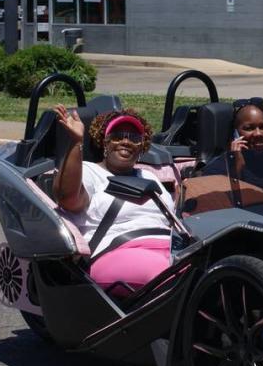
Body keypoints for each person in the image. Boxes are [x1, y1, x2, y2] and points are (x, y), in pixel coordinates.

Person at [53, 106, 173, 293]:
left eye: (134, 138)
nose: (126, 141)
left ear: (141, 147)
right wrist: (76, 142)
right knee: (173, 275)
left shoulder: (149, 176)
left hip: (168, 247)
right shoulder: (90, 171)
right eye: (118, 136)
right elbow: (68, 199)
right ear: (105, 142)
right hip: (115, 251)